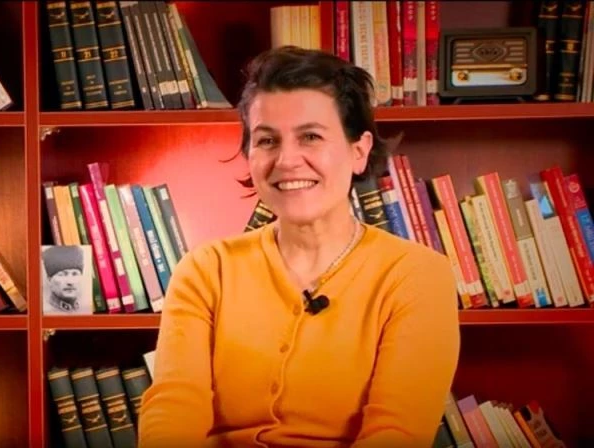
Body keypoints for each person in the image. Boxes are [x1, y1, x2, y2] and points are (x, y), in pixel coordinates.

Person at [138, 46, 460, 448]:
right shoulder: (206, 270)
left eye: (310, 137)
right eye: (267, 140)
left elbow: (397, 434)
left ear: (358, 151)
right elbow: (173, 412)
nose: (287, 160)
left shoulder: (417, 275)